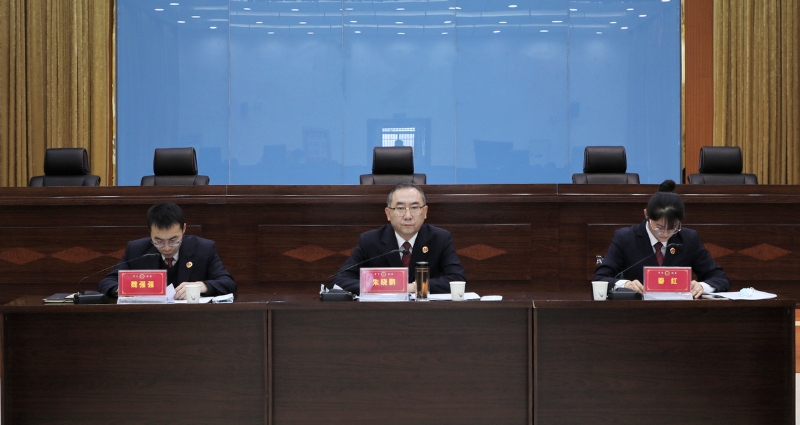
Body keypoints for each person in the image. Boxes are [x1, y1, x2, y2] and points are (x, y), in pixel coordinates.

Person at [594, 179, 730, 298]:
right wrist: (625, 285)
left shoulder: (688, 238)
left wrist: (702, 286)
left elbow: (720, 278)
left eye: (672, 228)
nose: (665, 234)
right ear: (646, 214)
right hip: (637, 311)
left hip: (679, 311)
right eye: (659, 227)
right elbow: (600, 278)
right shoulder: (625, 238)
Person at [331, 182, 466, 295]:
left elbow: (457, 279)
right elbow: (340, 280)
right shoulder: (370, 240)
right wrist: (385, 287)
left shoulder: (440, 239)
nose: (408, 216)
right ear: (388, 213)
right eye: (400, 208)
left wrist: (414, 287)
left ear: (425, 212)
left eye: (414, 208)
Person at [98, 202, 236, 299]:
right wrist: (124, 290)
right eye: (158, 241)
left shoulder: (203, 248)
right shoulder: (136, 249)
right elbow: (107, 282)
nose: (166, 247)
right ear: (150, 232)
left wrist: (202, 286)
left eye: (173, 240)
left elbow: (228, 283)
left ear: (184, 229)